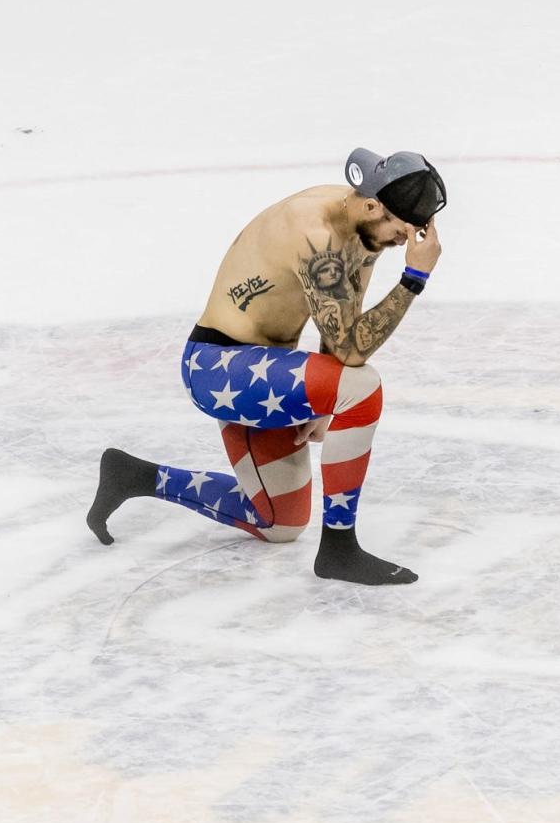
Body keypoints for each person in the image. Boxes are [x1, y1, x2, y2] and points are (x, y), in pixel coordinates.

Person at [86, 148, 446, 585]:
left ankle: (137, 476)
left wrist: (321, 402)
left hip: (266, 368)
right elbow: (353, 354)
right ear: (373, 205)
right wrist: (414, 279)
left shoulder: (364, 227)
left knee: (279, 522)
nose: (401, 243)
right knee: (363, 386)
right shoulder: (316, 232)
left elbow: (343, 330)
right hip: (219, 366)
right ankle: (338, 548)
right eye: (399, 232)